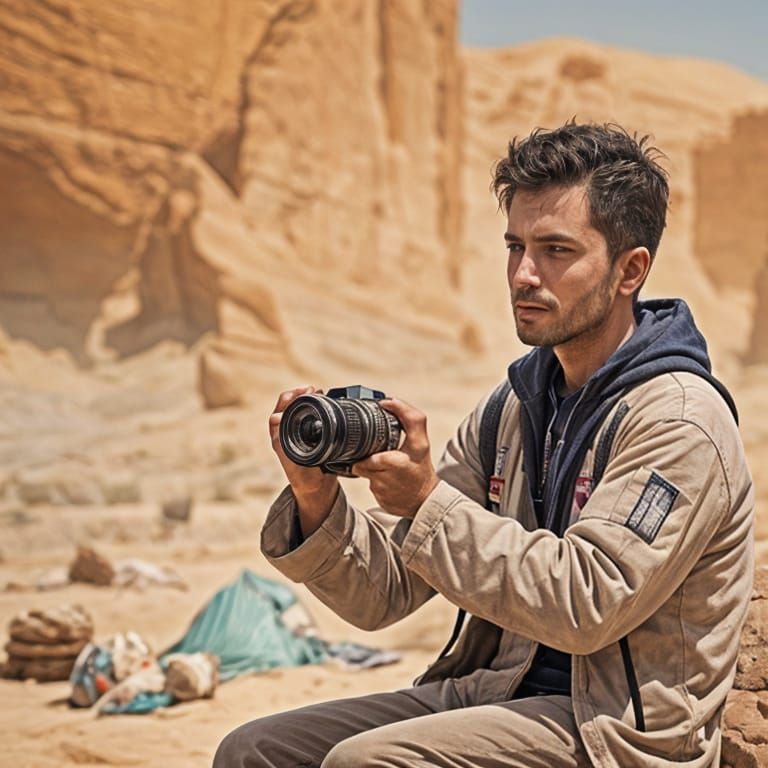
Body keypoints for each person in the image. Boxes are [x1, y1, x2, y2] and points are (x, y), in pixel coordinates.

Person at [213, 121, 754, 768]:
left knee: (364, 763)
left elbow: (588, 603)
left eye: (555, 250)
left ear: (629, 270)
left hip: (616, 732)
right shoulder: (514, 408)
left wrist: (427, 503)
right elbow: (385, 594)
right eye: (515, 246)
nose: (524, 274)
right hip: (498, 689)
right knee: (256, 750)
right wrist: (315, 499)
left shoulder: (678, 421)